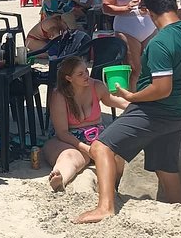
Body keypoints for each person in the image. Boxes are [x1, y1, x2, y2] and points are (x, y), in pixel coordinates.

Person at [76, 0, 181, 225]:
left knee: (101, 147)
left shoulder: (160, 43)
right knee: (166, 167)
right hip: (180, 112)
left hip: (155, 111)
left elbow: (161, 89)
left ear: (148, 11)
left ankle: (105, 207)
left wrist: (131, 97)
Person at [43, 56, 128, 191]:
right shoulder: (59, 95)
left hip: (96, 136)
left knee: (117, 153)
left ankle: (115, 185)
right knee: (70, 157)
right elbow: (62, 132)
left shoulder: (97, 86)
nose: (86, 76)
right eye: (80, 74)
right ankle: (60, 178)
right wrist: (86, 149)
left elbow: (113, 101)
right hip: (69, 139)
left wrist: (134, 105)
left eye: (86, 71)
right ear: (69, 78)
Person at [102, 0, 157, 89]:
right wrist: (124, 8)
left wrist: (150, 5)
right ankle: (133, 101)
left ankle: (150, 101)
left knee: (151, 67)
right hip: (127, 28)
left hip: (149, 26)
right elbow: (105, 7)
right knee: (135, 69)